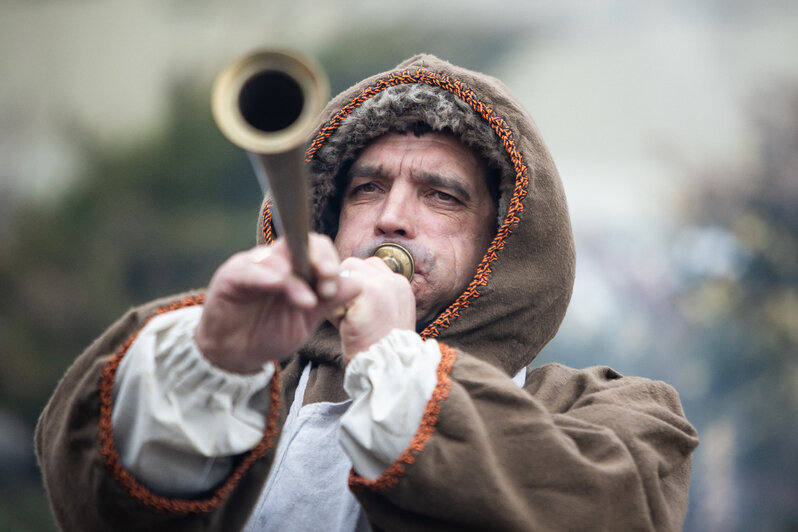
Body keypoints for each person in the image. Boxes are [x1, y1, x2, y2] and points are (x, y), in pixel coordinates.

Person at [35, 54, 698, 531]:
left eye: (441, 196)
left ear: (504, 241)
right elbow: (89, 495)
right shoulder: (236, 388)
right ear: (331, 215)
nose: (390, 217)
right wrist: (211, 356)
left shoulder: (614, 414)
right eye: (367, 189)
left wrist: (392, 353)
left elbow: (609, 510)